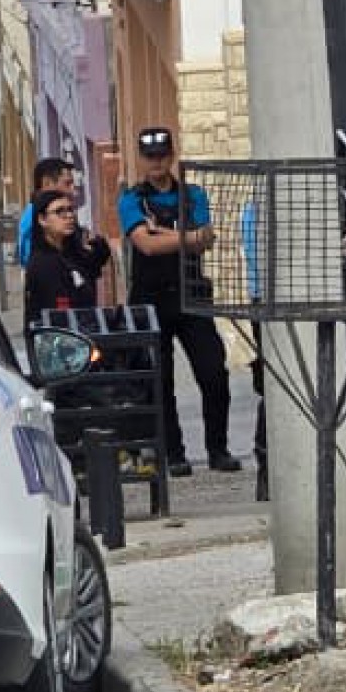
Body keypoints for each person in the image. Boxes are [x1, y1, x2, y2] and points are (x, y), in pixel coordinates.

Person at [118, 125, 238, 476]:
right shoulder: (132, 199)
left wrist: (168, 233)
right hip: (151, 300)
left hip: (192, 295)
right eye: (149, 157)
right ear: (141, 159)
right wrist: (188, 236)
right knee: (160, 380)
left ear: (171, 156)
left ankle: (218, 449)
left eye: (161, 156)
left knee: (213, 372)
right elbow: (146, 245)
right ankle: (173, 454)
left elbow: (208, 237)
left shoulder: (192, 193)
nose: (156, 163)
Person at [22, 190, 108, 323]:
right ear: (42, 219)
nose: (69, 216)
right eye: (59, 212)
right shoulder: (43, 263)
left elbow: (94, 262)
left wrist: (98, 247)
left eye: (70, 210)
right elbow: (58, 313)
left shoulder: (71, 254)